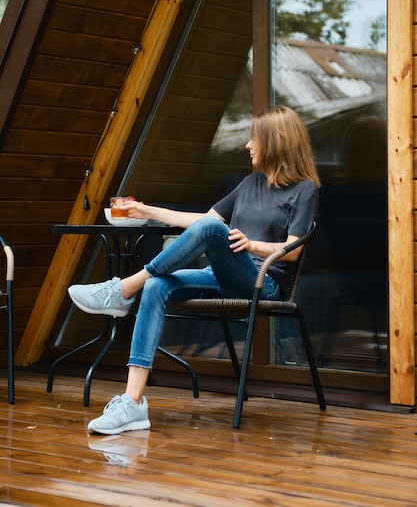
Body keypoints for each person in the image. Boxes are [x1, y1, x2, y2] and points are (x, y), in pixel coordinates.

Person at [68, 106, 321, 435]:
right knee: (158, 285)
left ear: (276, 142)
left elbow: (294, 250)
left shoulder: (305, 190)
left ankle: (123, 289)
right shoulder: (250, 183)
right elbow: (202, 221)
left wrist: (252, 245)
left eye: (254, 138)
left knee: (214, 231)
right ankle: (133, 403)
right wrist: (146, 209)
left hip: (265, 283)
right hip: (224, 278)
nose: (248, 144)